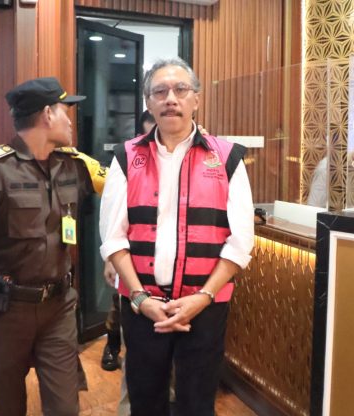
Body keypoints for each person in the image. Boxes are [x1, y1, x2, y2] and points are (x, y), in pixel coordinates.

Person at [0, 77, 107, 416]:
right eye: (64, 110)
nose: (70, 120)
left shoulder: (73, 165)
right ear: (47, 114)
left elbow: (127, 184)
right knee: (5, 405)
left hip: (59, 307)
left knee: (65, 407)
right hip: (5, 311)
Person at [99, 57, 255, 416]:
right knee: (145, 400)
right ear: (148, 102)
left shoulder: (227, 158)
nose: (171, 98)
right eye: (160, 91)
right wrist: (140, 298)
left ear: (196, 99)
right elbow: (113, 238)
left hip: (205, 306)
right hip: (142, 305)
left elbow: (241, 241)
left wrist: (202, 296)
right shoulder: (125, 157)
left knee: (197, 402)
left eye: (181, 89)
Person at [101, 110, 157, 374]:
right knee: (120, 305)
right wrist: (109, 259)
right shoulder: (128, 161)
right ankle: (112, 345)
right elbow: (112, 220)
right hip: (130, 258)